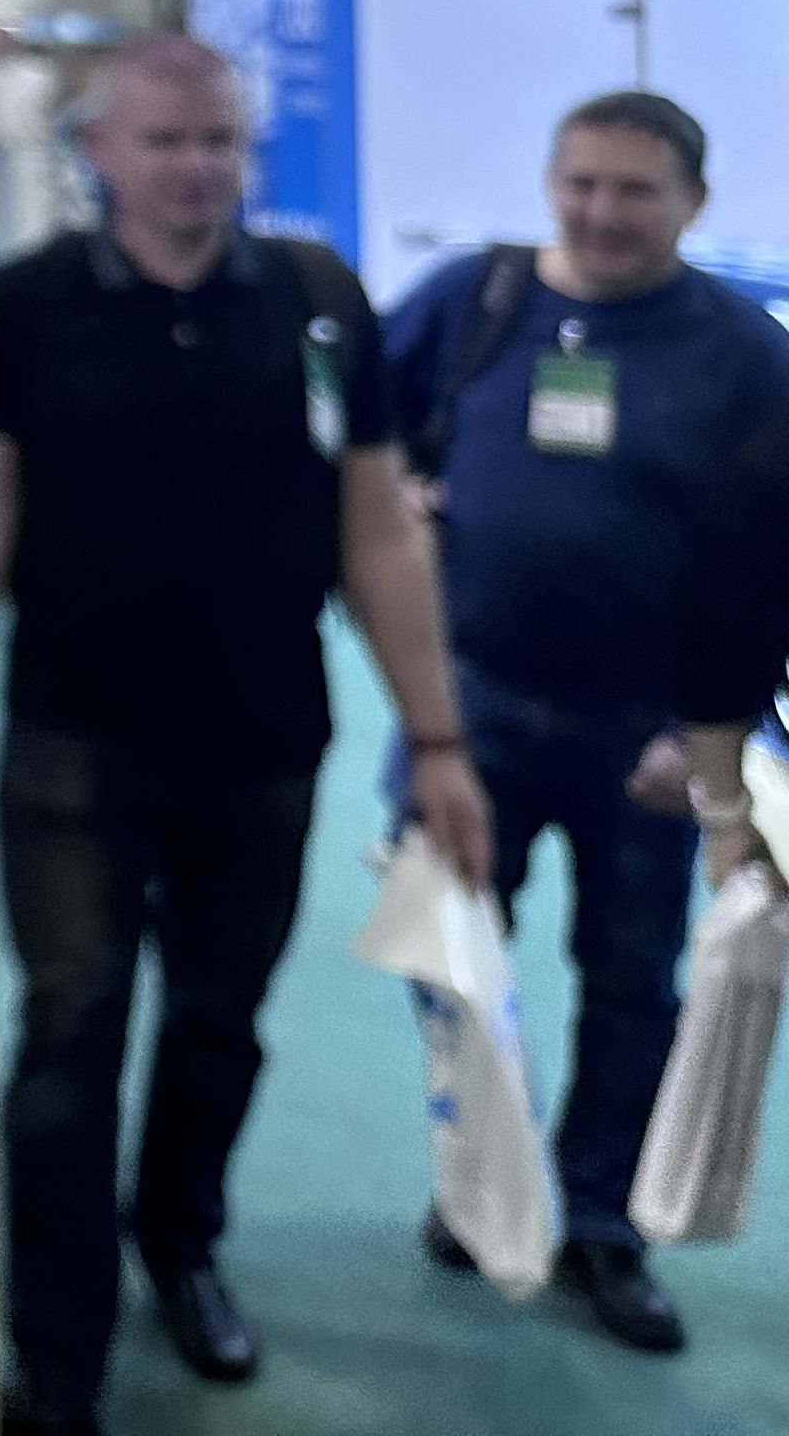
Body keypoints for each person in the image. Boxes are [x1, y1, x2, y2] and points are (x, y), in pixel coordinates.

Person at [0, 33, 490, 1436]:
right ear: (98, 150)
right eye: (165, 141)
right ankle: (56, 1344)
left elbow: (378, 527)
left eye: (219, 141)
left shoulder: (316, 301)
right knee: (71, 1029)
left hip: (263, 738)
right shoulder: (21, 306)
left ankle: (181, 1241)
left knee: (220, 1021)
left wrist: (437, 740)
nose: (196, 167)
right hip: (72, 736)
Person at [382, 88, 789, 1353]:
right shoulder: (475, 301)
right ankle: (480, 1189)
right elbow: (357, 439)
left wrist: (712, 742)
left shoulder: (744, 353)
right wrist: (403, 490)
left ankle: (604, 1225)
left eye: (635, 191)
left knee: (631, 986)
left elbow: (769, 565)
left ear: (695, 203)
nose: (602, 212)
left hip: (649, 742)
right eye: (582, 183)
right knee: (457, 966)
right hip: (469, 714)